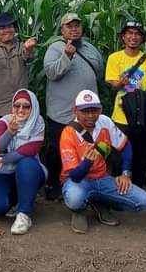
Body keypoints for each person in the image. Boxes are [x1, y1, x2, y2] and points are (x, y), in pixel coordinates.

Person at [59, 90, 146, 233]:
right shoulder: (68, 133)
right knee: (75, 199)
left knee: (145, 202)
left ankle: (99, 201)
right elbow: (75, 176)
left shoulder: (105, 122)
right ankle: (80, 209)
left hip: (102, 178)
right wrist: (87, 162)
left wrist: (125, 173)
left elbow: (125, 145)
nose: (90, 116)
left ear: (100, 109)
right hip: (78, 181)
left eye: (94, 110)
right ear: (75, 111)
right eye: (85, 111)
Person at [42, 12, 103, 200]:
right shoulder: (55, 48)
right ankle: (53, 185)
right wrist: (66, 57)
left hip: (87, 115)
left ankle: (82, 184)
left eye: (77, 25)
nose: (74, 29)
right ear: (62, 30)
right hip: (62, 113)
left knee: (86, 149)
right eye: (69, 26)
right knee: (55, 150)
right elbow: (51, 73)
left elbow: (99, 70)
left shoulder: (90, 48)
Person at [104, 20, 146, 187]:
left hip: (142, 116)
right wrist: (122, 83)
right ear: (123, 37)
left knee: (141, 154)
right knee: (118, 154)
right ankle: (117, 190)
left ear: (142, 38)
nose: (133, 37)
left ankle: (137, 189)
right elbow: (114, 84)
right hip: (120, 115)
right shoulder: (114, 58)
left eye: (137, 34)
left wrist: (139, 98)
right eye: (129, 33)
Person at [0, 89, 47, 235]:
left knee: (26, 163)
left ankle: (24, 214)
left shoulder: (38, 122)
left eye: (26, 106)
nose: (21, 110)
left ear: (33, 108)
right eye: (17, 105)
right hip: (4, 172)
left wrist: (0, 160)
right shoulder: (4, 121)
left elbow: (29, 149)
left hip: (29, 171)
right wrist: (10, 132)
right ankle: (17, 199)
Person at [0, 11, 38, 139]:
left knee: (20, 144)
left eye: (10, 27)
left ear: (14, 29)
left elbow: (28, 57)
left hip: (21, 108)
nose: (7, 30)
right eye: (2, 28)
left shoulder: (21, 46)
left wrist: (29, 49)